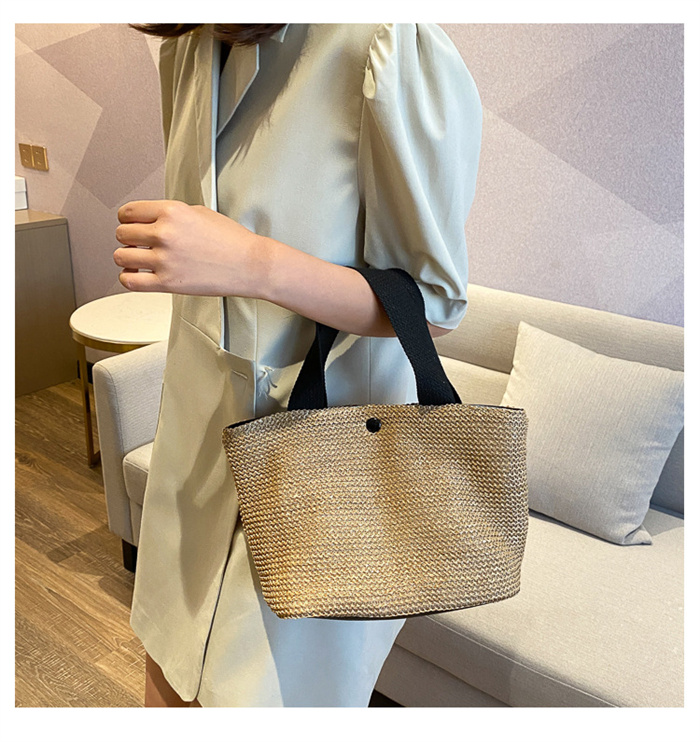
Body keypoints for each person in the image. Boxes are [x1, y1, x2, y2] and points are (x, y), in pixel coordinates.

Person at [115, 22, 482, 708]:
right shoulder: (188, 46)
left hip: (322, 470)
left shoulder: (384, 42)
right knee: (165, 668)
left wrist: (252, 261)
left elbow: (433, 305)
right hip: (193, 449)